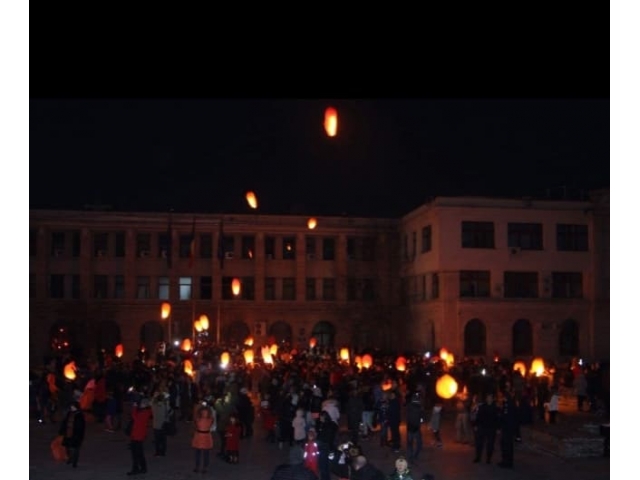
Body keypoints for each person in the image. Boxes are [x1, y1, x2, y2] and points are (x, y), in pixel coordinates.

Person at [127, 397, 152, 475]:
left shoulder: (145, 412)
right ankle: (142, 468)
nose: (140, 404)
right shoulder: (145, 411)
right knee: (139, 453)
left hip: (138, 435)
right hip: (138, 434)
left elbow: (135, 418)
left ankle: (137, 468)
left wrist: (134, 408)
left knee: (136, 453)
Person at [473, 393, 500, 464]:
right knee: (479, 443)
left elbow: (497, 418)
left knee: (490, 444)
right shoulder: (482, 406)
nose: (489, 399)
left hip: (491, 428)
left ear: (492, 399)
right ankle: (478, 457)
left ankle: (488, 458)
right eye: (488, 397)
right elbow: (478, 416)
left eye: (490, 397)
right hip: (482, 427)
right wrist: (476, 425)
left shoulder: (495, 407)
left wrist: (498, 428)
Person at [58, 401, 85, 468]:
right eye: (71, 407)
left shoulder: (80, 415)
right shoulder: (69, 413)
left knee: (76, 448)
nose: (72, 408)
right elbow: (65, 422)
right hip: (68, 433)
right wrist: (62, 430)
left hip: (76, 434)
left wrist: (79, 434)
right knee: (67, 447)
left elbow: (81, 426)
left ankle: (74, 462)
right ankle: (70, 458)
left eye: (73, 407)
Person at [192, 404, 215, 473]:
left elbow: (195, 423)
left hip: (199, 435)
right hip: (206, 435)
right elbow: (212, 423)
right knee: (206, 453)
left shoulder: (198, 418)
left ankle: (197, 466)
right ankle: (205, 467)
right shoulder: (210, 418)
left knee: (198, 453)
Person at [498, 391, 517, 468]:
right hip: (507, 428)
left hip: (507, 428)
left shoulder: (508, 404)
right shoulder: (508, 404)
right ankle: (506, 460)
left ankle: (507, 462)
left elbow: (506, 416)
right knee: (505, 445)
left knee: (507, 445)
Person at [405, 392, 425, 463]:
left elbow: (407, 416)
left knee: (410, 443)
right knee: (419, 443)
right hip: (416, 428)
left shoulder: (409, 406)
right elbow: (422, 419)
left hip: (410, 427)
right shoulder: (420, 407)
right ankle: (415, 455)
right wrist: (421, 421)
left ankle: (410, 457)